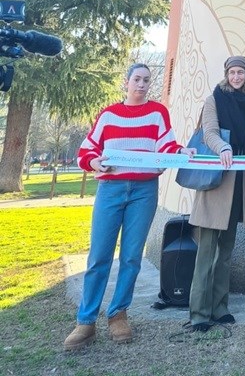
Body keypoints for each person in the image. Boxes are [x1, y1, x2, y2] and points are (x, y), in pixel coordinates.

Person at [64, 63, 193, 351]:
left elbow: (167, 147)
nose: (142, 84)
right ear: (126, 82)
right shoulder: (109, 114)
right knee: (99, 256)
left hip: (144, 192)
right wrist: (95, 162)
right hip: (110, 190)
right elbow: (87, 150)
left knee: (132, 257)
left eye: (147, 80)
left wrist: (181, 152)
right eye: (137, 79)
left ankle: (118, 314)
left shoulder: (158, 113)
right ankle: (86, 321)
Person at [187, 56, 245, 332]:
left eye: (241, 72)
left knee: (226, 250)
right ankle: (199, 313)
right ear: (226, 74)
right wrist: (224, 149)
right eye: (232, 71)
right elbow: (209, 133)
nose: (237, 76)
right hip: (216, 179)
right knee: (206, 250)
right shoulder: (213, 100)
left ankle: (220, 307)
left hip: (239, 181)